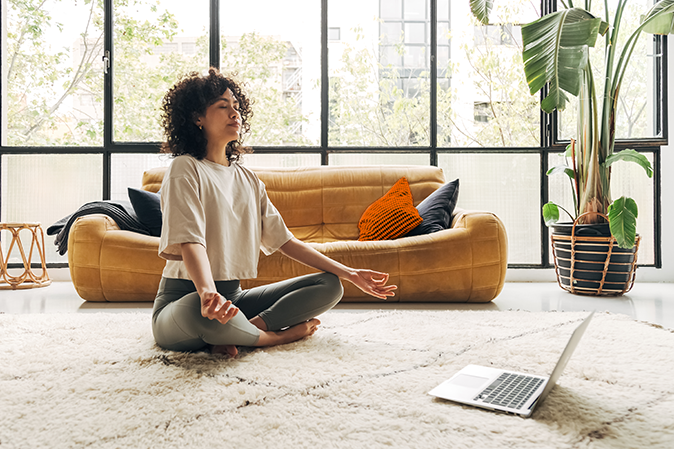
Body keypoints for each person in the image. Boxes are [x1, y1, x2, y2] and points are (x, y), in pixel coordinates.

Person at [152, 68, 397, 357]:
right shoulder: (185, 168)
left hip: (233, 298)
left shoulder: (248, 180)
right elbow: (190, 240)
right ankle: (273, 338)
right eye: (222, 106)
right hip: (184, 299)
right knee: (198, 310)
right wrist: (207, 293)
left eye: (236, 106)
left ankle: (244, 329)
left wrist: (349, 272)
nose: (235, 113)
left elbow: (285, 242)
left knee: (329, 285)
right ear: (197, 118)